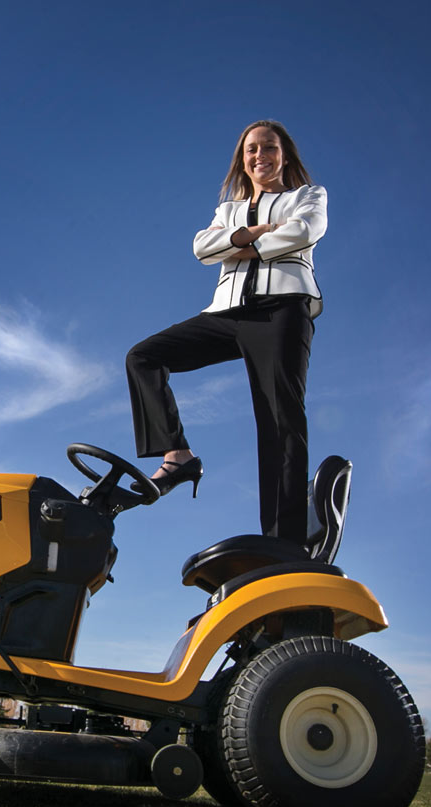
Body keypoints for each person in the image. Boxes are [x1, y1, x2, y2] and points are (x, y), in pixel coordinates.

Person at [126, 120, 327, 545]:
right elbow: (202, 247)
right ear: (243, 160)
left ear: (284, 155)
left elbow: (304, 230)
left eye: (269, 148)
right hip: (226, 312)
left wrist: (234, 247)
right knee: (144, 357)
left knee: (279, 421)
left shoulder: (307, 196)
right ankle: (177, 456)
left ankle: (283, 542)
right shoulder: (228, 209)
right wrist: (255, 234)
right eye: (251, 150)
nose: (260, 156)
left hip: (282, 310)